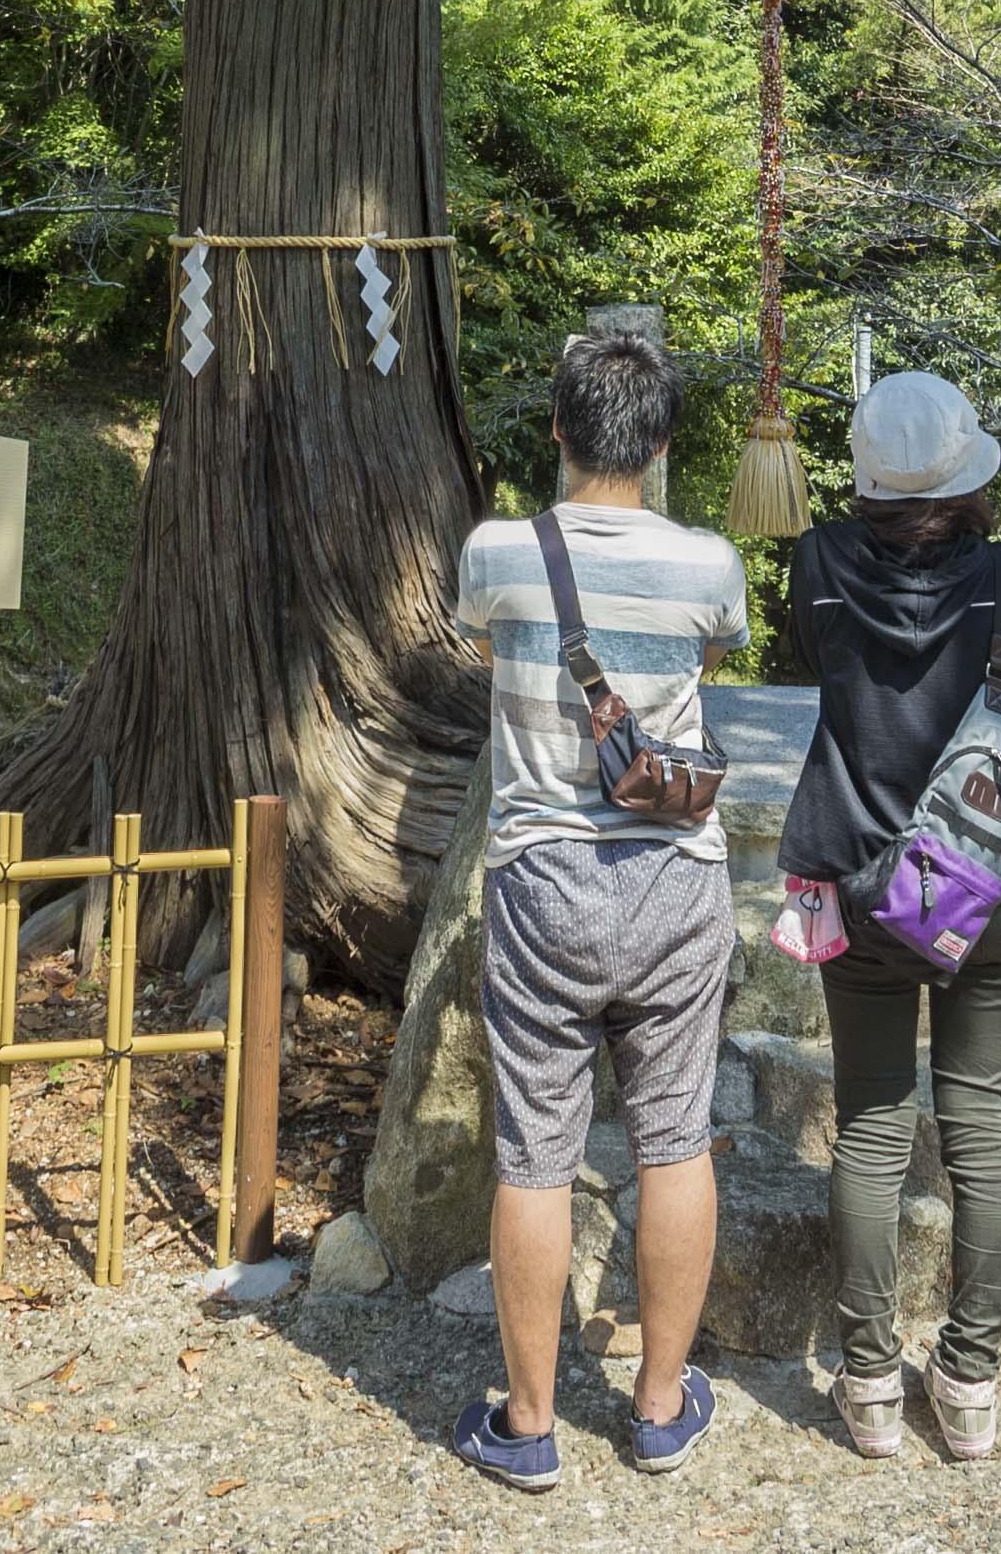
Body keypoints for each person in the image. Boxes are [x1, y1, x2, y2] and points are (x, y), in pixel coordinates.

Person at [448, 328, 748, 1492]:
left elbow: (484, 639)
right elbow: (707, 661)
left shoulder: (496, 552)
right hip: (675, 878)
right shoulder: (711, 565)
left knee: (535, 1153)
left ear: (559, 432)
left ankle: (527, 1427)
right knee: (674, 1136)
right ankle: (661, 1406)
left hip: (544, 878)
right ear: (661, 443)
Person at [779, 371, 1001, 1466]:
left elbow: (816, 671)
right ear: (968, 471)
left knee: (873, 1127)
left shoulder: (815, 569)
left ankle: (871, 1379)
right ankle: (968, 1384)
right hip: (977, 888)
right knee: (979, 1126)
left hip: (856, 883)